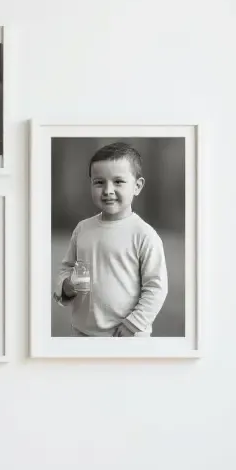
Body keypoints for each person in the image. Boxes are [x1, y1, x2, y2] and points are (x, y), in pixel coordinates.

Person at [54, 142, 168, 337]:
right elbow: (66, 267)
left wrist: (134, 324)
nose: (107, 190)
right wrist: (66, 285)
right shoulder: (83, 229)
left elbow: (156, 287)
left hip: (127, 335)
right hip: (84, 333)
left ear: (137, 186)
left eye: (118, 182)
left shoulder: (143, 235)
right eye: (99, 182)